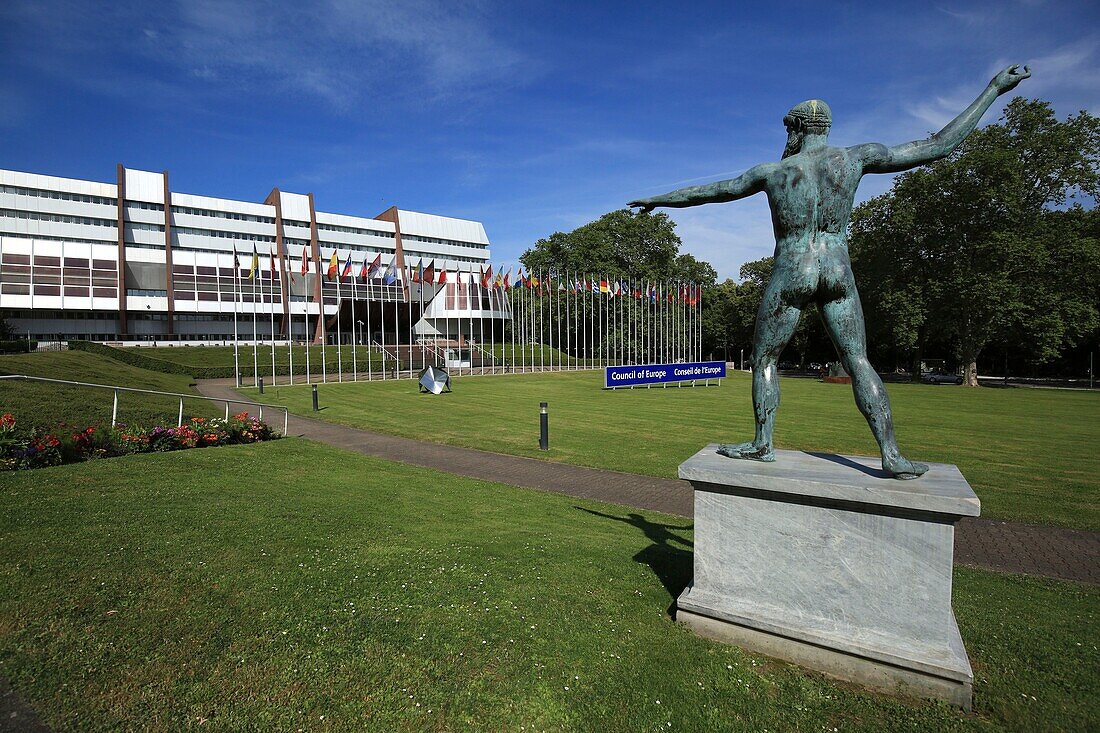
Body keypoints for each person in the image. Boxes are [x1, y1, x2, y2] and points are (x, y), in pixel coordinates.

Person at [630, 65, 1030, 479]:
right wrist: (993, 89)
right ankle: (891, 453)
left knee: (765, 358)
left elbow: (711, 191)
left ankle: (763, 442)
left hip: (792, 269)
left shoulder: (774, 172)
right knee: (858, 360)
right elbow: (939, 145)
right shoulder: (856, 157)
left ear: (797, 129)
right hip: (837, 269)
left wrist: (658, 200)